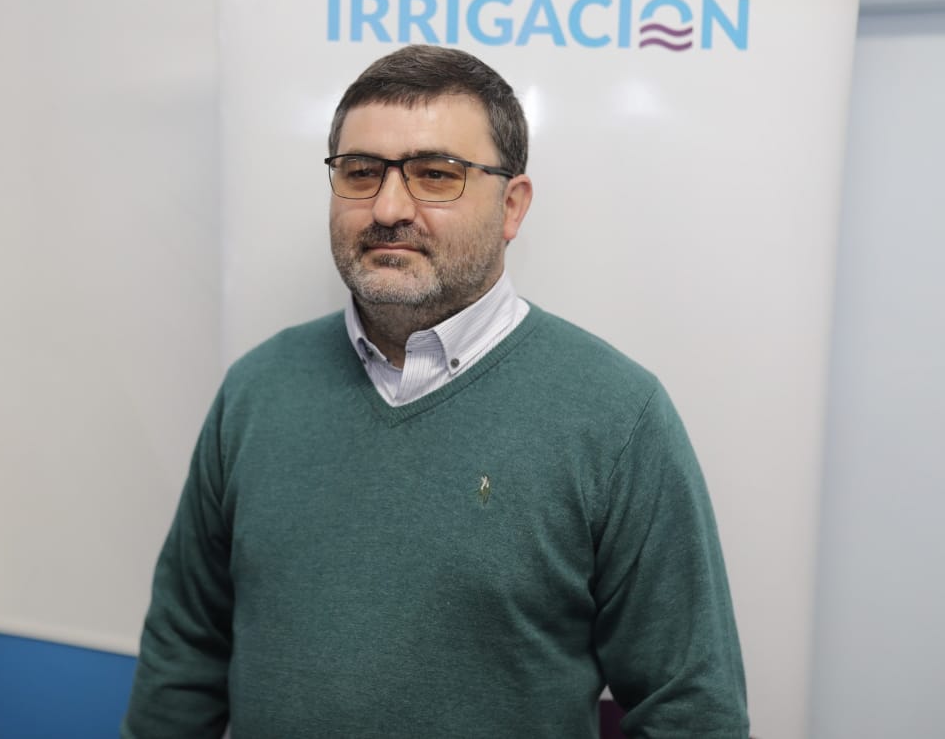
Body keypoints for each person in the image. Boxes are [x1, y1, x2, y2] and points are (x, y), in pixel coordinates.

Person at [122, 45, 749, 738]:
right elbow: (183, 659)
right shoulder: (256, 391)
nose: (389, 207)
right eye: (361, 172)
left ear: (512, 205)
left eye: (436, 175)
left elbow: (691, 710)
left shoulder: (617, 417)